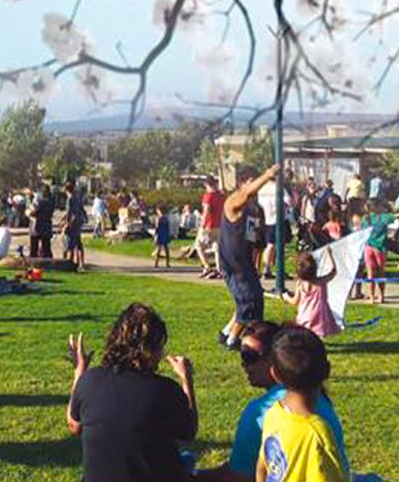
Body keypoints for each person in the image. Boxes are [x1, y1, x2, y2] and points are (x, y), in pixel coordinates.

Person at [195, 322, 349, 482]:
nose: (243, 364)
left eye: (250, 356)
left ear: (275, 371)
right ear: (326, 371)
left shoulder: (270, 412)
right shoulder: (319, 430)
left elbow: (258, 469)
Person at [66, 303, 198, 482]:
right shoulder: (166, 390)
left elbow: (74, 425)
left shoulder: (89, 380)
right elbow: (188, 431)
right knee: (187, 460)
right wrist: (186, 379)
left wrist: (79, 372)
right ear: (154, 348)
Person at [255, 327, 348, 482]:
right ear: (327, 370)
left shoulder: (273, 414)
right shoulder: (318, 435)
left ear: (275, 375)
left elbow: (262, 468)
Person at [218, 165, 280, 351]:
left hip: (245, 262)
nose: (257, 186)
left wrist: (255, 262)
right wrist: (267, 175)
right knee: (248, 301)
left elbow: (253, 238)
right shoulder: (233, 201)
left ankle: (227, 333)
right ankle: (233, 341)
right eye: (253, 181)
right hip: (233, 264)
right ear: (242, 183)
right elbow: (246, 193)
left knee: (253, 300)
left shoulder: (254, 209)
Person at [281, 248, 340, 339]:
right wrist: (330, 254)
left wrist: (286, 297)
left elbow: (295, 301)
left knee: (304, 335)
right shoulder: (321, 282)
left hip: (305, 314)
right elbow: (333, 271)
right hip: (320, 315)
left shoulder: (300, 284)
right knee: (317, 335)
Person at [359, 199, 394, 303]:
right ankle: (381, 296)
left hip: (368, 247)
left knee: (370, 272)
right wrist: (389, 209)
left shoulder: (366, 219)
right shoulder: (384, 217)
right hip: (380, 248)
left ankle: (371, 297)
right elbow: (393, 217)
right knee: (381, 272)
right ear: (378, 207)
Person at [199, 177, 225, 279]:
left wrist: (202, 225)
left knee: (199, 246)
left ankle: (207, 266)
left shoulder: (208, 196)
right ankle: (219, 269)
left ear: (206, 184)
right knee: (217, 247)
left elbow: (206, 211)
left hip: (209, 225)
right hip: (219, 225)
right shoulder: (222, 196)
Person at [64, 182, 86, 270]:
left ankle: (70, 262)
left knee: (70, 244)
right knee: (78, 243)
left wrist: (67, 223)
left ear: (66, 190)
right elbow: (81, 209)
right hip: (78, 222)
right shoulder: (78, 198)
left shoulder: (69, 199)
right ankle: (81, 263)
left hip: (72, 223)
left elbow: (69, 212)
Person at [29, 184, 54, 258]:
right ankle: (48, 264)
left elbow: (33, 212)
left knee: (34, 249)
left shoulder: (39, 201)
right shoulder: (51, 200)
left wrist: (29, 211)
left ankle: (33, 265)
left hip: (37, 227)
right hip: (47, 226)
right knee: (46, 248)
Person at [154, 204, 171, 268]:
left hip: (160, 234)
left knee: (158, 249)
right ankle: (167, 263)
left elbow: (157, 227)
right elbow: (167, 226)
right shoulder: (166, 218)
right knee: (166, 249)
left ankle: (156, 263)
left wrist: (155, 234)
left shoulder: (158, 218)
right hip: (165, 233)